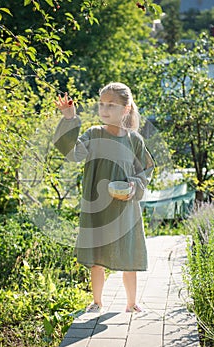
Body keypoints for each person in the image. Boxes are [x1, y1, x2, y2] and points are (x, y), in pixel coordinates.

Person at [53, 82, 154, 313]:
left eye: (111, 105)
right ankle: (97, 301)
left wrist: (134, 185)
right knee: (97, 257)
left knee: (129, 255)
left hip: (125, 209)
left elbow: (146, 170)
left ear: (126, 109)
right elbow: (72, 153)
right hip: (98, 208)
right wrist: (69, 118)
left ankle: (131, 303)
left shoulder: (134, 140)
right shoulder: (94, 134)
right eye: (101, 104)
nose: (104, 109)